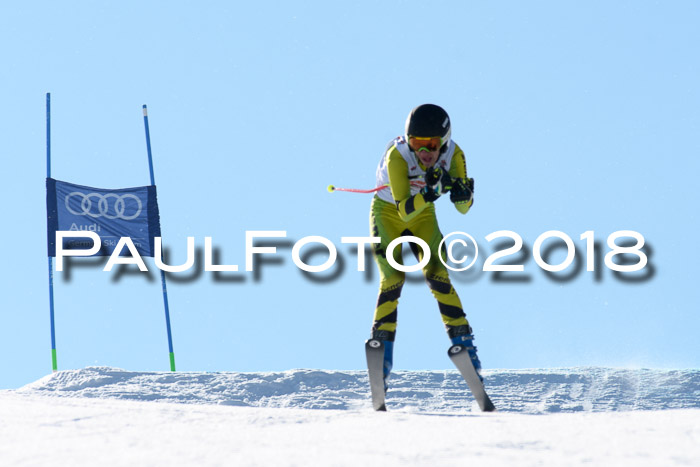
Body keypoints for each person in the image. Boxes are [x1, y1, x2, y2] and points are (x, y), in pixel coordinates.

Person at [369, 103, 480, 390]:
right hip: (389, 214)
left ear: (443, 142)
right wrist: (433, 192)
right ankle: (382, 353)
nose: (424, 152)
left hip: (424, 217)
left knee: (439, 277)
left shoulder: (455, 154)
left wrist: (462, 192)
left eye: (431, 144)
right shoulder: (398, 156)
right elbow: (404, 210)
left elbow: (463, 209)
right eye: (417, 143)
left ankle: (466, 346)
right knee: (393, 278)